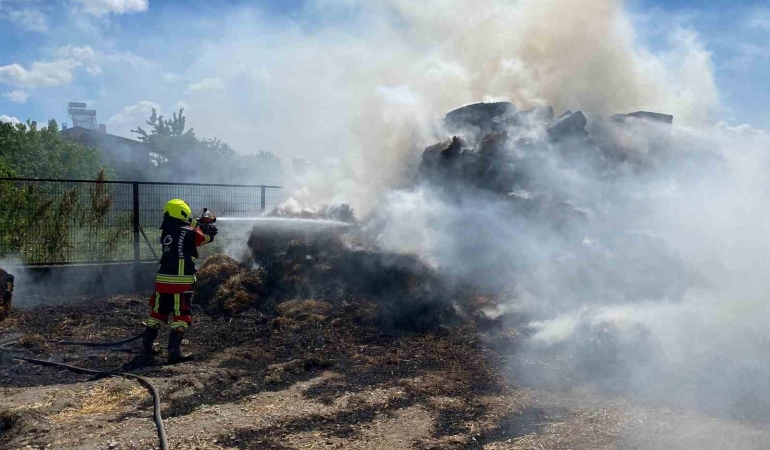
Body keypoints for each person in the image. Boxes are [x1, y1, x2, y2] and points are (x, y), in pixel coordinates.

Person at [140, 199, 217, 364]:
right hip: (180, 282)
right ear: (183, 212)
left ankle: (147, 345)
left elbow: (185, 228)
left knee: (158, 312)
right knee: (181, 316)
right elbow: (205, 238)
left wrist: (199, 222)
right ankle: (173, 353)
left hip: (162, 280)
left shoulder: (166, 232)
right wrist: (209, 228)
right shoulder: (190, 232)